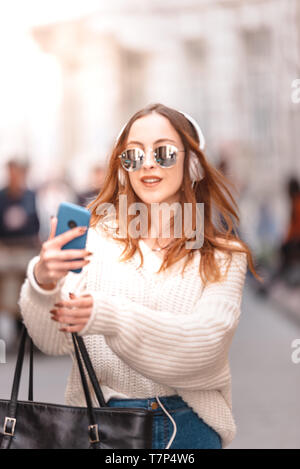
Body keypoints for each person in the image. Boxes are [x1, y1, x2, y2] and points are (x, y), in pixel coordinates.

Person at [18, 103, 261, 449]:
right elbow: (51, 340)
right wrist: (44, 282)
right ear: (122, 169)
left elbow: (204, 346)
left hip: (190, 430)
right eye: (133, 155)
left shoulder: (223, 256)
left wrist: (108, 316)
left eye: (163, 152)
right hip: (103, 427)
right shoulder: (95, 241)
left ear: (192, 163)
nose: (147, 163)